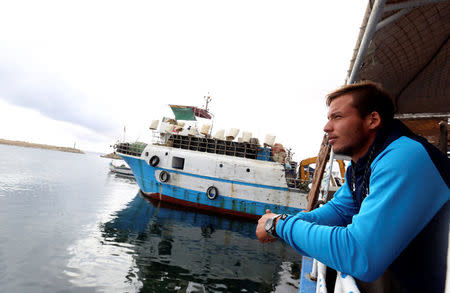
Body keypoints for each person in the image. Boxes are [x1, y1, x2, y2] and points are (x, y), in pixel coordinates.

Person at [256, 81, 450, 292]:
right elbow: (339, 210)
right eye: (328, 118)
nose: (326, 127)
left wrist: (278, 225)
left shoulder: (404, 157)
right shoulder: (362, 165)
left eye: (337, 117)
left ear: (372, 120)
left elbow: (360, 255)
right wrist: (284, 223)